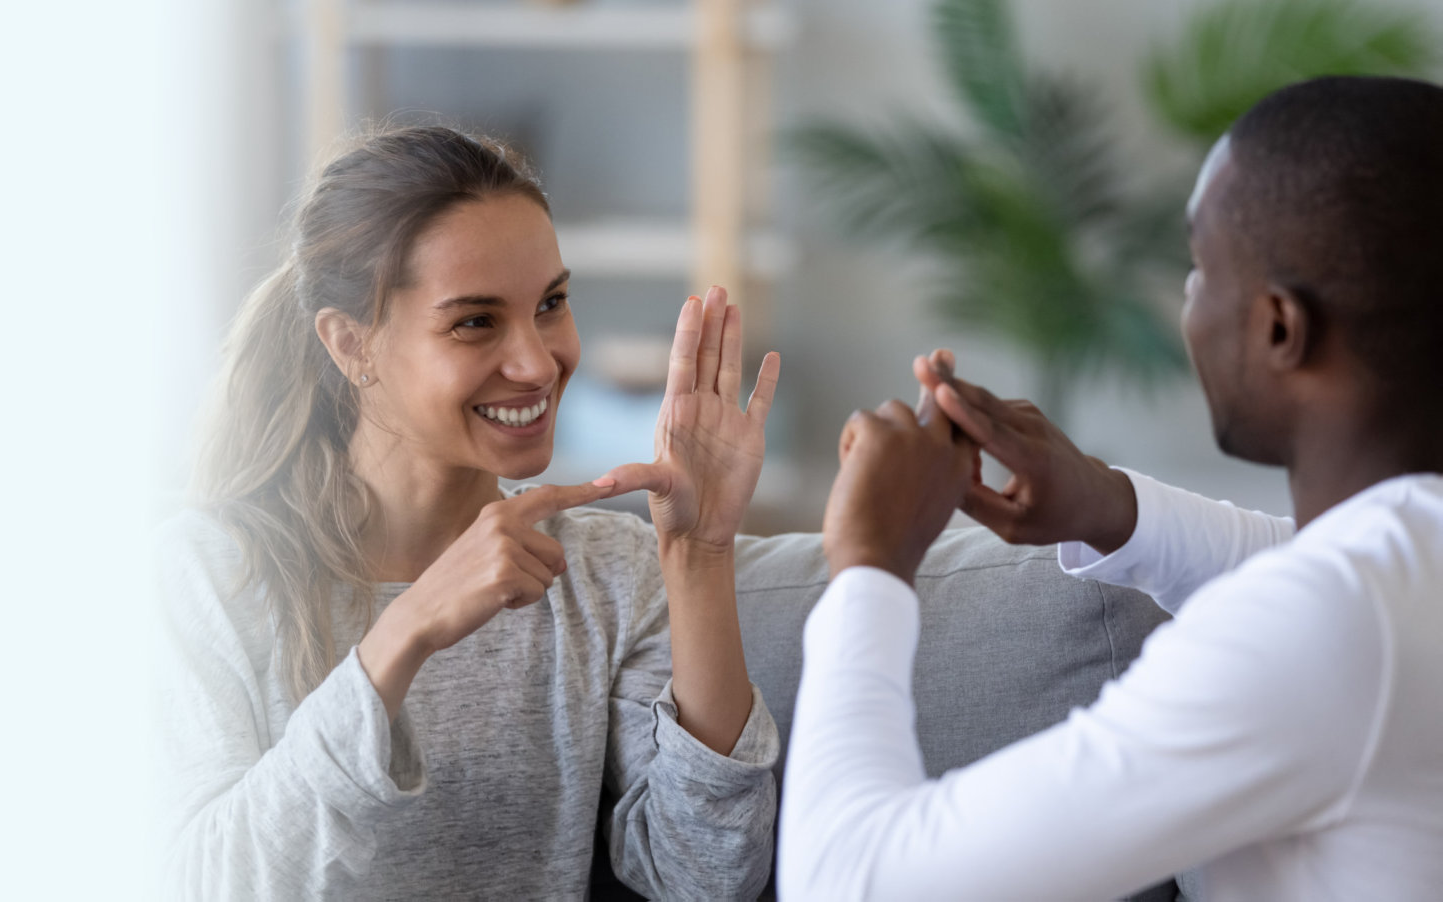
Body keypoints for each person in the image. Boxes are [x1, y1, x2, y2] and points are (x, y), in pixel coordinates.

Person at [778, 75, 1443, 899]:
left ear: (1280, 327)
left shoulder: (1327, 626)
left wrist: (871, 563)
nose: (1188, 303)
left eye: (1201, 270)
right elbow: (1316, 563)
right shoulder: (1404, 565)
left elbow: (849, 880)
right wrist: (1106, 506)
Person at [159, 125, 784, 899]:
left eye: (551, 303)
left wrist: (701, 556)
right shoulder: (207, 575)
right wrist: (405, 631)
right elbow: (208, 881)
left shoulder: (605, 574)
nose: (537, 363)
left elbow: (708, 879)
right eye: (475, 321)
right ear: (351, 344)